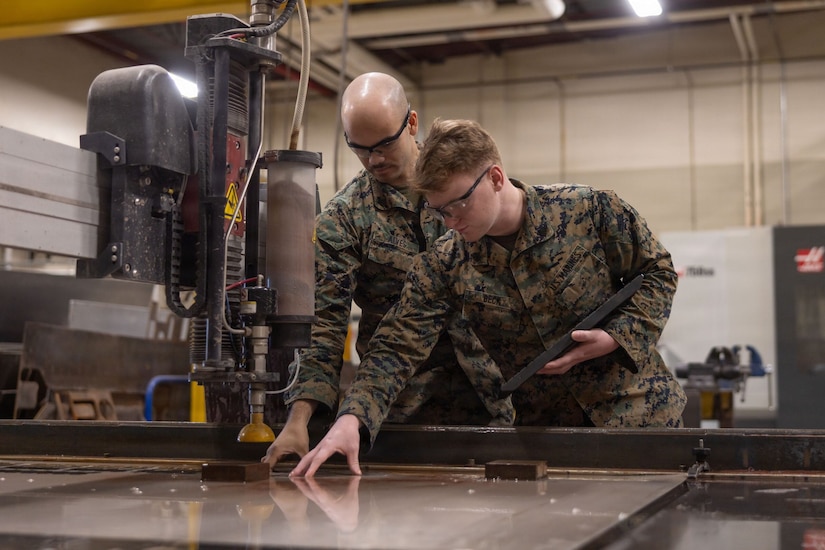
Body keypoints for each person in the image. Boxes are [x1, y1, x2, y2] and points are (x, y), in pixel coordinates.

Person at [291, 118, 688, 477]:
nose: (450, 221)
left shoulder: (589, 211)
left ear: (496, 177)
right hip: (548, 440)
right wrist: (352, 418)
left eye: (458, 204)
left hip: (641, 421)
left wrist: (617, 336)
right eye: (439, 211)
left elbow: (657, 273)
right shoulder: (444, 265)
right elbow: (395, 345)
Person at [262, 77, 514, 468]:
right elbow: (325, 326)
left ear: (411, 123)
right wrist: (299, 420)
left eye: (383, 145)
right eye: (359, 149)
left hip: (496, 394)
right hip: (403, 405)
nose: (374, 159)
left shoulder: (465, 182)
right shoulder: (346, 219)